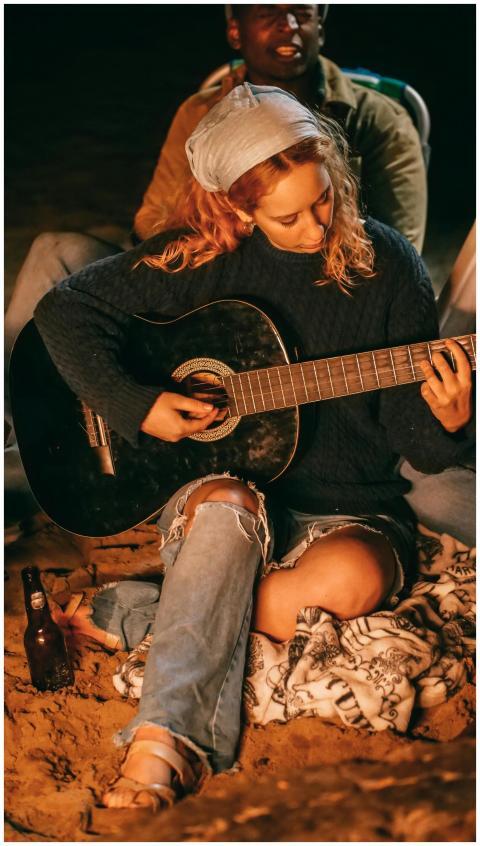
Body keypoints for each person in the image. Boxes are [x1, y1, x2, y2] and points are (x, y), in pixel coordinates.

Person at [34, 83, 473, 811]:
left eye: (325, 200)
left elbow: (415, 446)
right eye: (288, 215)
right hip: (225, 493)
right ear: (238, 208)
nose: (315, 227)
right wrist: (139, 406)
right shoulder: (204, 256)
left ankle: (152, 612)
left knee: (354, 584)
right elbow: (65, 309)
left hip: (348, 508)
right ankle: (162, 744)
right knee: (227, 509)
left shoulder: (389, 265)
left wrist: (451, 418)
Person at [5, 3, 427, 371]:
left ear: (321, 26)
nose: (289, 26)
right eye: (269, 14)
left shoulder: (378, 118)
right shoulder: (201, 112)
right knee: (55, 252)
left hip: (318, 287)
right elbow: (151, 223)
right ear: (235, 31)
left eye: (303, 13)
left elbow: (401, 242)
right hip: (206, 280)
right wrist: (215, 257)